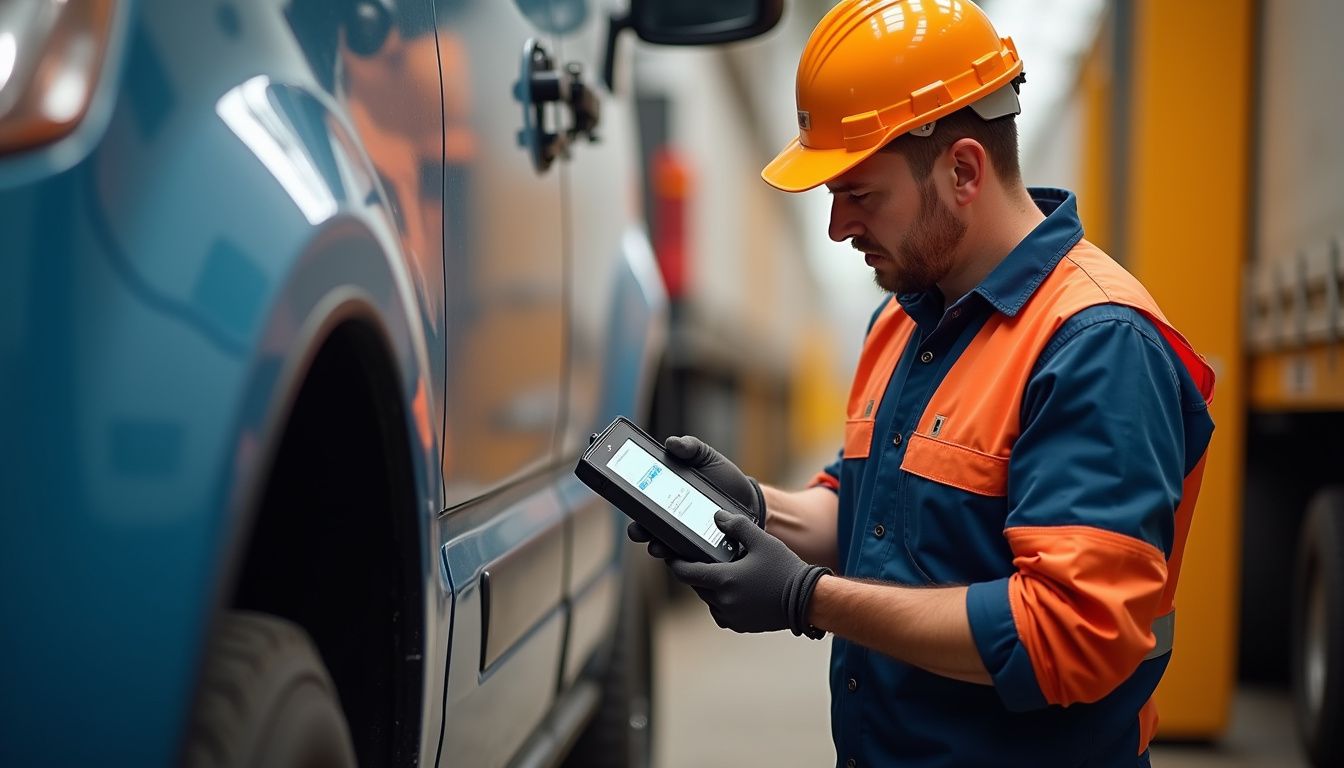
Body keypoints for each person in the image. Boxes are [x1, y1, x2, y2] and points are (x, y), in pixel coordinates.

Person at [629, 1, 1217, 766]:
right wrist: (754, 507)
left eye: (860, 193)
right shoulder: (902, 323)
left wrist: (808, 598)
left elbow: (1072, 635)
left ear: (963, 170)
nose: (838, 226)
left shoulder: (1096, 343)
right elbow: (873, 518)